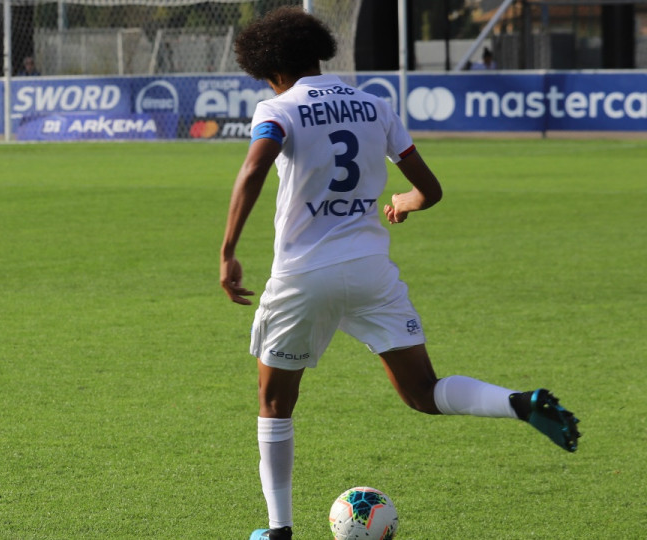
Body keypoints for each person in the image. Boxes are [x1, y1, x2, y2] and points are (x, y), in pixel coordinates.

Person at [218, 8, 580, 540]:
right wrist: (404, 202)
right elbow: (429, 190)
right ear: (316, 52)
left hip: (304, 275)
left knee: (275, 403)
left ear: (270, 69)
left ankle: (278, 531)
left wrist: (228, 250)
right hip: (371, 272)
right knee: (423, 392)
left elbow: (254, 167)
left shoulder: (278, 108)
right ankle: (517, 403)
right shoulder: (375, 105)